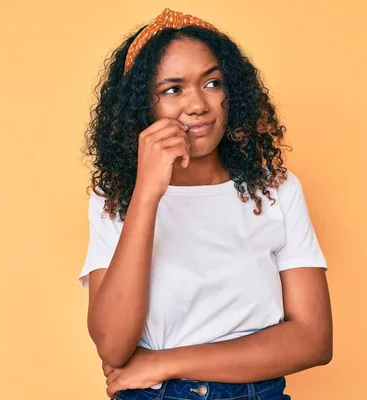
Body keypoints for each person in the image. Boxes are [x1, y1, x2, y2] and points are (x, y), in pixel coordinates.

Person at [79, 8, 333, 400]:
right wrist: (146, 193)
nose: (197, 104)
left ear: (232, 95)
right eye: (172, 89)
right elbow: (113, 346)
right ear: (141, 107)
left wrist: (166, 362)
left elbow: (313, 339)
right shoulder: (114, 198)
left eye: (212, 83)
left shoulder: (275, 190)